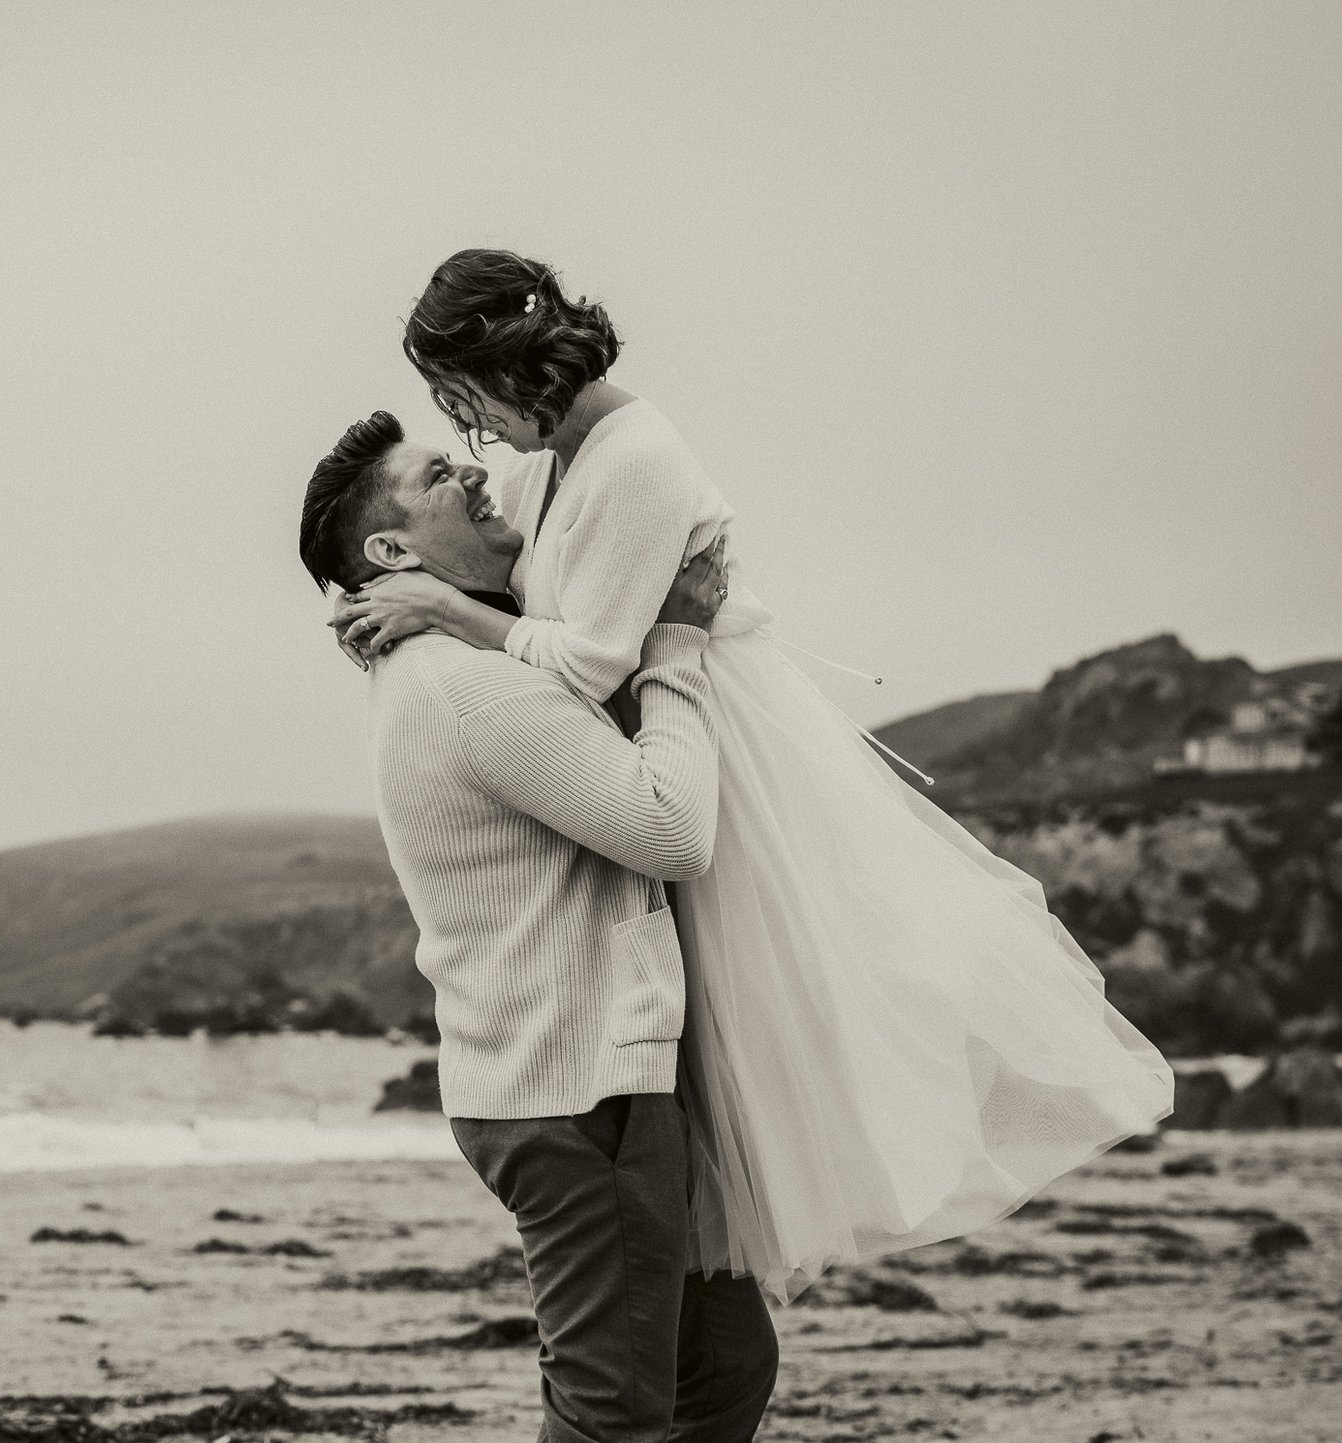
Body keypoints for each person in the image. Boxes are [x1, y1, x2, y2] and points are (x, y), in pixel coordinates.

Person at [335, 250, 1173, 1303]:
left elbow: (591, 659)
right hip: (638, 756)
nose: (476, 440)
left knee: (744, 1066)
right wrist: (396, 600)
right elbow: (513, 605)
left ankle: (687, 1323)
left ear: (512, 362)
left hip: (696, 761)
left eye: (466, 405)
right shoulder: (548, 463)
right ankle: (684, 1319)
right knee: (691, 1103)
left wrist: (447, 611)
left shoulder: (637, 457)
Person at [297, 411, 797, 1443]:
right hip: (577, 1089)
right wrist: (682, 647)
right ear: (393, 546)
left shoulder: (465, 655)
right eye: (442, 477)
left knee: (725, 1360)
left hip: (590, 1073)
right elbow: (669, 829)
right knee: (614, 1405)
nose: (481, 473)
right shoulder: (468, 688)